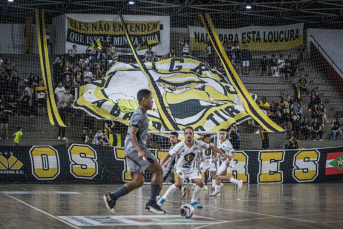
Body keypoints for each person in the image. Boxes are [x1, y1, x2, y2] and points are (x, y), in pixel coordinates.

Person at [103, 89, 165, 215]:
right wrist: (139, 150)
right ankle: (152, 203)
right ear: (143, 99)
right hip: (134, 149)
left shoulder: (143, 114)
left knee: (139, 181)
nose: (152, 101)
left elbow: (140, 133)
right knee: (158, 170)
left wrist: (151, 143)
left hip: (131, 149)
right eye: (150, 98)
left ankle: (112, 197)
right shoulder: (139, 114)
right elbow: (131, 133)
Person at [158, 127, 230, 207]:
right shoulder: (180, 145)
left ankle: (193, 201)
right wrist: (160, 165)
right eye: (187, 133)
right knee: (178, 184)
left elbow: (211, 147)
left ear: (193, 135)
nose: (188, 135)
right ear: (184, 135)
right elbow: (168, 155)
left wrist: (223, 154)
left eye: (190, 133)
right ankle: (163, 198)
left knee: (200, 183)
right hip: (180, 168)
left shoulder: (198, 143)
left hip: (191, 168)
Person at [210, 129, 243, 197]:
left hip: (228, 162)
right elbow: (220, 151)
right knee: (218, 177)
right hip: (223, 162)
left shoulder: (227, 143)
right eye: (221, 134)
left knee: (219, 177)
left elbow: (234, 153)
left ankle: (238, 182)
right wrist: (216, 158)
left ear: (226, 135)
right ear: (219, 134)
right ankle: (217, 192)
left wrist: (229, 159)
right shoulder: (219, 141)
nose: (222, 135)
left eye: (223, 134)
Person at [157, 132, 187, 199]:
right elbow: (172, 157)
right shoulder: (173, 146)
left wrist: (162, 164)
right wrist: (167, 162)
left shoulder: (176, 146)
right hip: (174, 167)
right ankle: (182, 187)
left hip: (171, 168)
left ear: (177, 138)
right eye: (170, 137)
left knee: (160, 180)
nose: (171, 139)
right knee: (172, 181)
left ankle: (157, 194)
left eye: (173, 137)